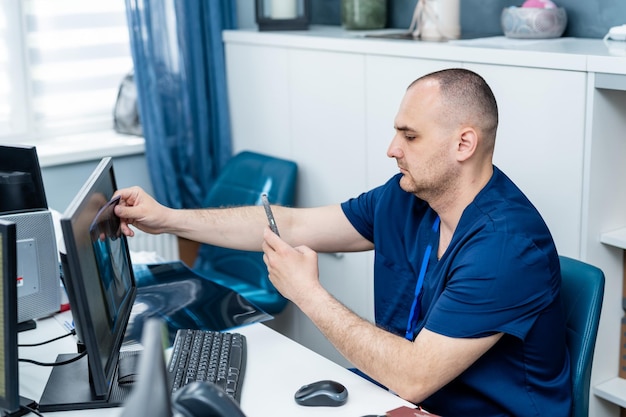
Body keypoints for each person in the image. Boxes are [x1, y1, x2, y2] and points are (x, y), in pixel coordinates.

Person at [114, 68, 571, 416]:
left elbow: (413, 378)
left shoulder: (506, 248)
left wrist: (306, 292)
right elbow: (285, 224)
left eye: (409, 135)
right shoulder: (406, 199)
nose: (392, 148)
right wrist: (167, 219)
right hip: (394, 396)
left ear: (464, 144)